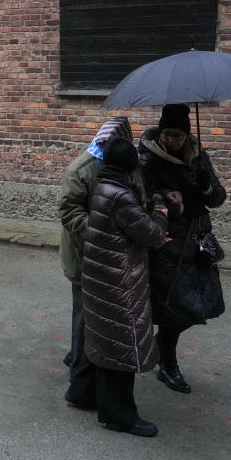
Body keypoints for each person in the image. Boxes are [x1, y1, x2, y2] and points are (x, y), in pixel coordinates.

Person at [81, 137, 169, 437]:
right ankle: (121, 416)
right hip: (120, 282)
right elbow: (152, 234)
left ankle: (107, 409)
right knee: (122, 347)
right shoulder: (121, 196)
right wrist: (160, 210)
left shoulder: (102, 187)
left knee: (107, 344)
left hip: (102, 278)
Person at [138, 103, 227, 395]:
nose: (170, 140)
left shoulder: (199, 157)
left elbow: (218, 198)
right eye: (167, 134)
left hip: (198, 241)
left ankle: (160, 349)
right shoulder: (149, 158)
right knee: (174, 308)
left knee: (200, 305)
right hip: (169, 243)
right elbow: (140, 194)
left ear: (187, 136)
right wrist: (164, 196)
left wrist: (205, 187)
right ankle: (168, 364)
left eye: (177, 135)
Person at [58, 116, 132, 410]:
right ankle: (79, 380)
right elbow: (69, 211)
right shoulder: (82, 169)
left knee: (96, 319)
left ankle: (88, 371)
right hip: (84, 255)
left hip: (106, 256)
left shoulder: (117, 165)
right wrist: (100, 232)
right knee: (84, 320)